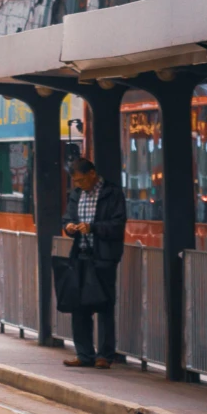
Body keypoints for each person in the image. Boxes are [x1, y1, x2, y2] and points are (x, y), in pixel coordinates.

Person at [61, 153, 126, 369]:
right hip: (80, 255)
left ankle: (104, 355)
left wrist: (93, 228)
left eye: (81, 180)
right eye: (75, 182)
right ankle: (84, 354)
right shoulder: (76, 194)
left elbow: (118, 224)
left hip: (104, 256)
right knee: (79, 306)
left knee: (105, 305)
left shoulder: (111, 193)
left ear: (92, 174)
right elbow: (68, 218)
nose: (78, 185)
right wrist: (69, 227)